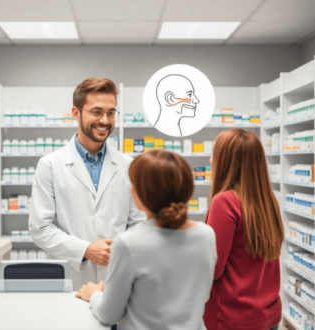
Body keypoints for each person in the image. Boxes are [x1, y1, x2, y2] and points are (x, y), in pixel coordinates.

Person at [76, 150, 217, 330]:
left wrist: (95, 294)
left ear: (141, 195)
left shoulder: (129, 244)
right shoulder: (206, 235)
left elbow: (109, 315)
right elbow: (196, 295)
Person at [29, 78, 146, 290]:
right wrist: (86, 250)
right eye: (96, 111)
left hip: (117, 274)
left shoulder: (129, 165)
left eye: (111, 113)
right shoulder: (50, 165)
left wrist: (118, 248)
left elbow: (140, 221)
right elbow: (40, 228)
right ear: (76, 113)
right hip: (72, 277)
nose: (105, 120)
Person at [203, 129, 283, 330]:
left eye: (216, 154)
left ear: (227, 161)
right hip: (268, 316)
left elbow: (212, 270)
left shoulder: (225, 201)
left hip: (233, 319)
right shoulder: (268, 200)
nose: (211, 159)